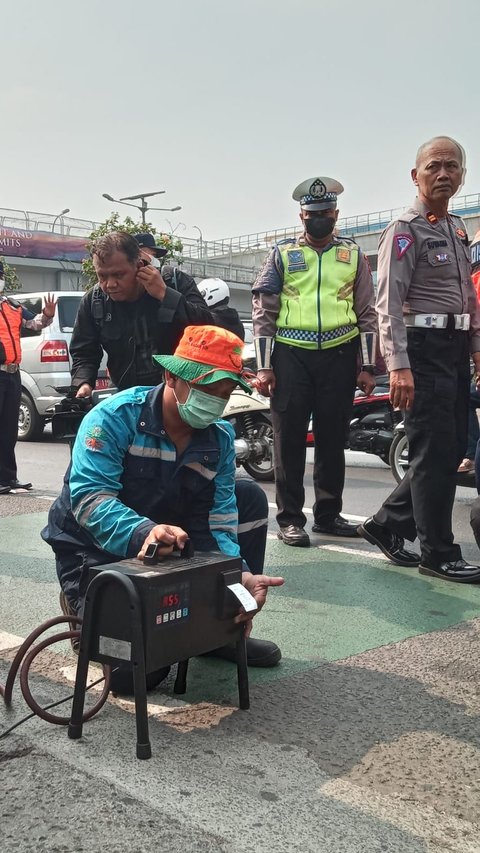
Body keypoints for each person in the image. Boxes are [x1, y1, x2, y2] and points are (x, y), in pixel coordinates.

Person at [42, 325, 283, 693]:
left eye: (225, 392)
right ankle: (81, 603)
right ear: (171, 376)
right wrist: (144, 532)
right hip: (91, 547)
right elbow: (91, 501)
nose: (216, 402)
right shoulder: (113, 418)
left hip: (165, 540)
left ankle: (220, 629)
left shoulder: (218, 439)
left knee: (247, 496)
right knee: (135, 676)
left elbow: (217, 521)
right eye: (208, 389)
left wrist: (237, 578)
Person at [359, 135, 480, 584]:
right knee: (432, 451)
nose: (443, 173)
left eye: (452, 166)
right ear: (416, 175)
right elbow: (387, 304)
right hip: (421, 349)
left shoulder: (456, 228)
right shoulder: (404, 230)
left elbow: (467, 296)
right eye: (434, 166)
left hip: (452, 348)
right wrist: (398, 365)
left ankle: (387, 524)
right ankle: (438, 552)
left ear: (463, 175)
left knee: (446, 450)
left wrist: (474, 350)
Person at [252, 176, 377, 547]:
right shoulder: (281, 254)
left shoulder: (353, 255)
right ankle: (290, 519)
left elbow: (367, 311)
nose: (319, 220)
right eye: (311, 215)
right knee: (288, 438)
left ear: (335, 214)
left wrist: (367, 367)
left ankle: (328, 514)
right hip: (291, 356)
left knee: (332, 437)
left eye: (325, 214)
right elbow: (264, 311)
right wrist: (264, 366)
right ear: (301, 216)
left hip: (340, 353)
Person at [70, 231, 214, 397]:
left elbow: (209, 329)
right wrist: (83, 384)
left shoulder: (174, 282)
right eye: (102, 276)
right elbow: (84, 352)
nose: (110, 284)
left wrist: (165, 295)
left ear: (139, 265)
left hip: (180, 398)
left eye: (118, 274)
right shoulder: (93, 301)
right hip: (126, 400)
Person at [0, 263, 57, 493]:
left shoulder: (13, 307)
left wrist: (47, 316)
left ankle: (8, 478)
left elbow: (35, 324)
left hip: (13, 374)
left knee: (9, 429)